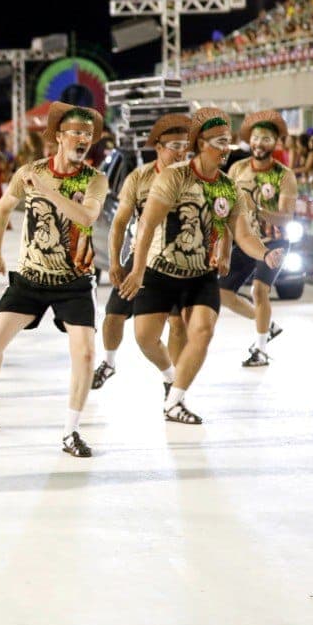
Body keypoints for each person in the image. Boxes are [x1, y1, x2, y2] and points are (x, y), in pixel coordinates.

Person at [0, 104, 108, 457]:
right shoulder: (29, 172)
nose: (83, 139)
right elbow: (4, 207)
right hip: (31, 278)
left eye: (88, 134)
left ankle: (71, 432)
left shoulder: (94, 179)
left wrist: (48, 191)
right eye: (76, 132)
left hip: (74, 280)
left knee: (84, 356)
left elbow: (86, 215)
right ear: (57, 137)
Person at [118, 108, 285, 425]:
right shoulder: (174, 177)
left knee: (202, 331)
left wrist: (264, 254)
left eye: (229, 142)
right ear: (201, 143)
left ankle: (175, 401)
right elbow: (148, 226)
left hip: (200, 276)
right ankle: (170, 376)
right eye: (221, 142)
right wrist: (137, 270)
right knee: (144, 338)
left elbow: (244, 234)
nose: (227, 148)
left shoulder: (228, 187)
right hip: (161, 271)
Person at [93, 114, 192, 390]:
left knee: (177, 323)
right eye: (175, 146)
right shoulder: (139, 178)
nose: (182, 152)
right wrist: (115, 261)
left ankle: (173, 383)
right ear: (158, 148)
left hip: (178, 262)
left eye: (186, 146)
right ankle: (109, 363)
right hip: (139, 258)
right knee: (114, 315)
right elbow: (119, 223)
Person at [219, 111, 297, 365]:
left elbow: (286, 218)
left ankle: (260, 350)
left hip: (273, 242)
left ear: (275, 144)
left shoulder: (284, 175)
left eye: (266, 139)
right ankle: (267, 325)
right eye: (255, 138)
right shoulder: (236, 169)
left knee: (259, 290)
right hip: (243, 240)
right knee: (221, 294)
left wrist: (258, 209)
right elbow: (225, 208)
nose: (259, 143)